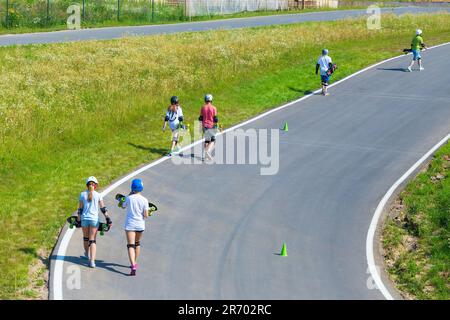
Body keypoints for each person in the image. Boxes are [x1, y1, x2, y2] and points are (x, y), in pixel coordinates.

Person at [77, 176, 112, 268]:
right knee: (92, 240)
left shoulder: (82, 194)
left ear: (87, 185)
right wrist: (107, 218)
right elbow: (103, 208)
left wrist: (78, 218)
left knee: (85, 238)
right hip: (94, 220)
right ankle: (92, 261)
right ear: (95, 185)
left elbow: (80, 209)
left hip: (84, 219)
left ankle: (87, 255)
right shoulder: (98, 195)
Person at [119, 179, 149, 276]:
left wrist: (129, 194)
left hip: (130, 224)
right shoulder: (145, 200)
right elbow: (146, 215)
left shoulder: (129, 198)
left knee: (130, 245)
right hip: (140, 224)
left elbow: (123, 206)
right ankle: (134, 262)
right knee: (137, 243)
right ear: (141, 188)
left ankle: (133, 265)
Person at [199, 94, 218, 161]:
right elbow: (215, 119)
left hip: (204, 126)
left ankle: (205, 156)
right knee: (212, 140)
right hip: (211, 126)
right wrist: (216, 125)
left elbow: (200, 118)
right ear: (211, 100)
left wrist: (200, 126)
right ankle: (207, 152)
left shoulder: (203, 107)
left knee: (207, 140)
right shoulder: (213, 108)